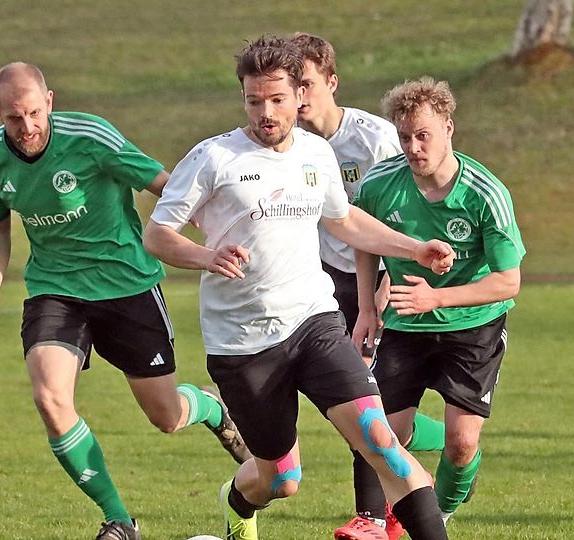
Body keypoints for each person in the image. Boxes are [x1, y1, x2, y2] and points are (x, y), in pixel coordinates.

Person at [143, 36, 452, 540]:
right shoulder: (213, 158)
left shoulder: (314, 154)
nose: (265, 112)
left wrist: (413, 247)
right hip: (242, 345)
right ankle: (237, 501)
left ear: (298, 96)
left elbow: (344, 220)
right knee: (281, 479)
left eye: (277, 99)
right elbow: (156, 234)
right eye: (253, 100)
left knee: (380, 440)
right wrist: (206, 256)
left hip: (313, 322)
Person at [0, 62, 251, 540]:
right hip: (55, 289)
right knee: (50, 398)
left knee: (166, 417)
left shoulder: (91, 136)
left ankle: (209, 408)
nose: (28, 127)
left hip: (128, 286)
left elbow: (165, 184)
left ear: (50, 100)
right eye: (14, 118)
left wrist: (220, 232)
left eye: (35, 113)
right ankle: (120, 520)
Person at [290, 32, 446, 540]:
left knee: (363, 394)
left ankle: (374, 517)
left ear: (332, 81)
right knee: (347, 398)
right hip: (324, 280)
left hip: (387, 274)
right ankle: (438, 440)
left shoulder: (374, 139)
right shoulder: (289, 143)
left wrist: (375, 302)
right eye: (289, 84)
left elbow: (392, 217)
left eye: (306, 82)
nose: (297, 94)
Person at [352, 77, 526, 530]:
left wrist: (438, 298)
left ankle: (440, 515)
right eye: (404, 136)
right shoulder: (379, 184)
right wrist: (368, 308)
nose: (413, 146)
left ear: (449, 127)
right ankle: (396, 515)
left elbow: (509, 281)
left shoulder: (485, 193)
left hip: (473, 326)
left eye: (423, 135)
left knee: (461, 443)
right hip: (406, 326)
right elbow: (363, 240)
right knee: (379, 435)